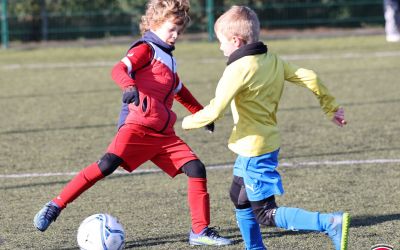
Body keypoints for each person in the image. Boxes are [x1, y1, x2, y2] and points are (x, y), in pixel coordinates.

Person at [33, 0, 232, 246]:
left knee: (196, 169)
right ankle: (55, 205)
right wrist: (128, 86)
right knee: (107, 164)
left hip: (163, 135)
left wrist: (202, 114)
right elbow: (118, 69)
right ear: (155, 23)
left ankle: (199, 232)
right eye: (172, 29)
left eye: (180, 31)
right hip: (137, 126)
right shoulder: (145, 49)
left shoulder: (169, 59)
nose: (176, 35)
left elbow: (179, 90)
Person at [182, 5, 350, 250]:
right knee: (238, 197)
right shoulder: (272, 59)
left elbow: (216, 109)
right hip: (264, 144)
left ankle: (328, 222)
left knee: (264, 212)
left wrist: (185, 122)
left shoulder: (237, 69)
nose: (220, 47)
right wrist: (330, 107)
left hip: (253, 149)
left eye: (221, 42)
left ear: (236, 41)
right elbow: (310, 76)